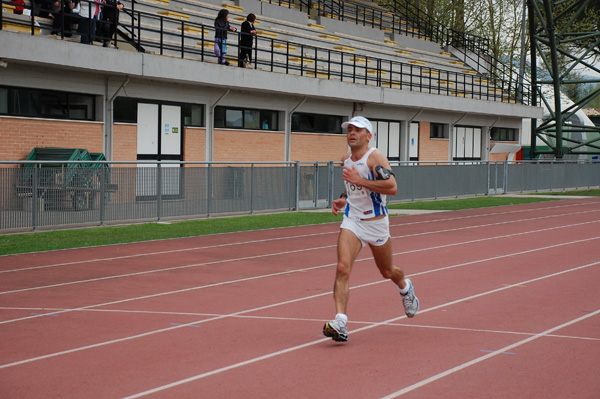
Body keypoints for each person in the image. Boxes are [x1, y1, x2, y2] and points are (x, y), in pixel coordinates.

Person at [322, 116, 419, 342]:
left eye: (358, 130)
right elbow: (356, 189)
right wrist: (344, 199)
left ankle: (405, 287)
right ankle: (340, 322)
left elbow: (392, 187)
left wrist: (359, 180)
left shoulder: (375, 157)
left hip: (376, 224)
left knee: (387, 272)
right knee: (342, 266)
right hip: (353, 220)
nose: (352, 133)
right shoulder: (345, 159)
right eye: (350, 130)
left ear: (369, 136)